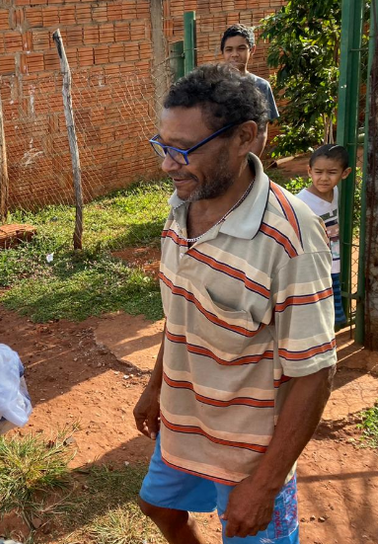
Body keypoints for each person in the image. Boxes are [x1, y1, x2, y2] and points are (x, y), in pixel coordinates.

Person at [137, 64, 336, 543]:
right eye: (163, 146)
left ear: (245, 136)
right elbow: (181, 313)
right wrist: (155, 385)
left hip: (250, 453)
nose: (168, 164)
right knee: (157, 505)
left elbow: (315, 373)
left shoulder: (290, 238)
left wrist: (264, 484)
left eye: (183, 149)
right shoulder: (181, 205)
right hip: (185, 423)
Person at [295, 144, 351, 329]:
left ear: (345, 173)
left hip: (332, 259)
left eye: (332, 172)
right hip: (312, 261)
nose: (324, 178)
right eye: (318, 172)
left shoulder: (335, 192)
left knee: (332, 305)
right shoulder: (300, 201)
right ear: (309, 171)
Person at [221, 24, 279, 157]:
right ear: (223, 53)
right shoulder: (213, 85)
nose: (234, 55)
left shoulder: (261, 86)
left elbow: (262, 131)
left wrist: (249, 162)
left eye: (241, 48)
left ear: (252, 50)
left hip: (246, 154)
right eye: (229, 50)